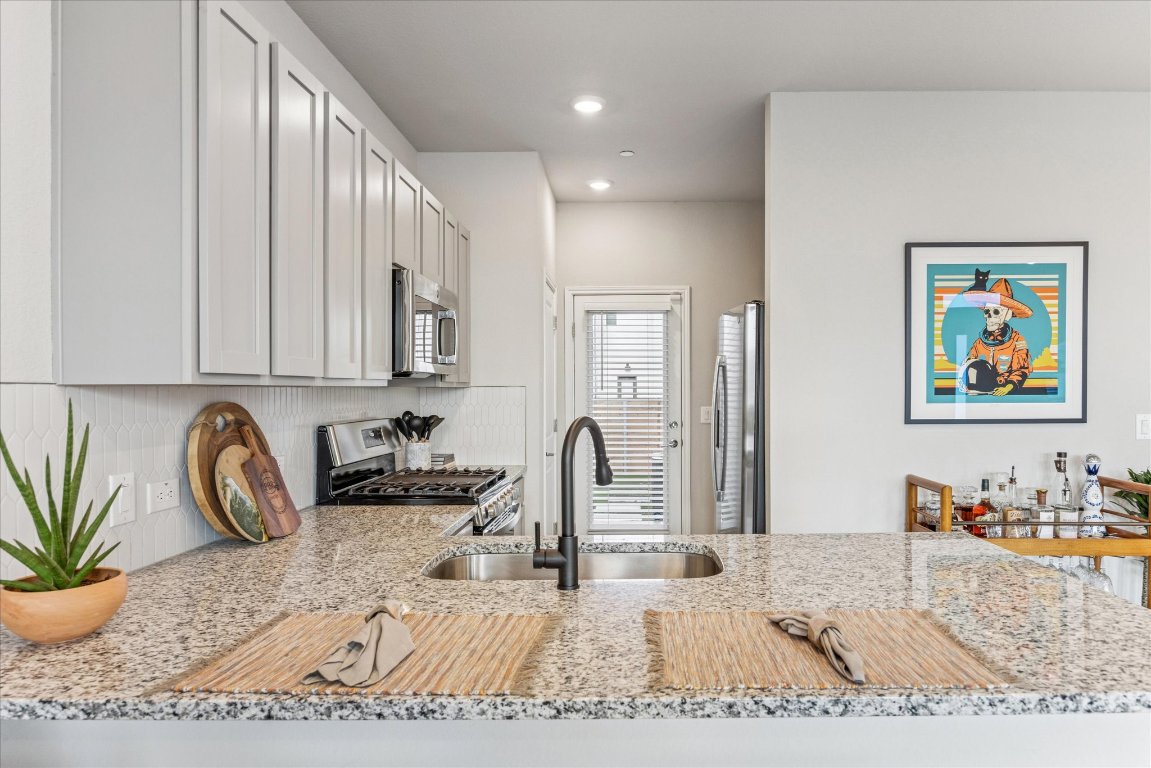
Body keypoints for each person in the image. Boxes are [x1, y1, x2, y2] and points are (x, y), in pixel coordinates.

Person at [960, 274, 1033, 396]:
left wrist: (1008, 387)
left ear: (1008, 315)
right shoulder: (979, 343)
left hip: (1005, 392)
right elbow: (969, 362)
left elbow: (1021, 369)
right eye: (987, 311)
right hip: (978, 391)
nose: (989, 317)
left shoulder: (1017, 341)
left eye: (996, 312)